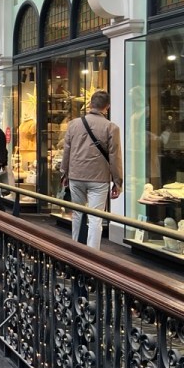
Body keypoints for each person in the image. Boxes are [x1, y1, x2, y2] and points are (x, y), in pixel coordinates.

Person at [60, 90, 123, 249]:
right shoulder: (111, 128)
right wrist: (117, 182)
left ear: (90, 104)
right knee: (95, 218)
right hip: (99, 178)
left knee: (77, 214)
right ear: (107, 107)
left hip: (76, 176)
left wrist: (64, 173)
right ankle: (93, 255)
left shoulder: (73, 124)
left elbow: (66, 151)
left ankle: (75, 248)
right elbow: (115, 157)